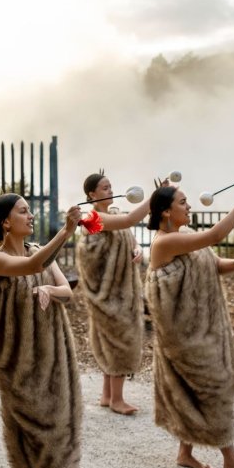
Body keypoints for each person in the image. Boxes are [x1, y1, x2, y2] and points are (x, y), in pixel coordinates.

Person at [0, 195, 99, 468]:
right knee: (24, 417)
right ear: (5, 222)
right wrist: (66, 231)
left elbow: (67, 291)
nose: (30, 215)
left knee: (58, 417)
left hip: (51, 349)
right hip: (16, 354)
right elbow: (31, 268)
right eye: (23, 211)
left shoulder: (37, 250)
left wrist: (51, 288)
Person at [145, 180, 234, 468]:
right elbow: (216, 235)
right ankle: (231, 459)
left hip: (201, 328)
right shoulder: (163, 243)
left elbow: (210, 261)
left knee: (191, 390)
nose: (189, 206)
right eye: (182, 202)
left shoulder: (182, 237)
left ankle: (185, 452)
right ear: (165, 212)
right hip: (183, 334)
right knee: (214, 385)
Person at [75, 171, 150, 415]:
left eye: (110, 186)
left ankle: (108, 395)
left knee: (112, 339)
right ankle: (118, 399)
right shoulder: (93, 218)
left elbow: (128, 236)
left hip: (121, 288)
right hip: (109, 293)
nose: (109, 190)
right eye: (104, 187)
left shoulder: (113, 215)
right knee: (118, 340)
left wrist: (137, 249)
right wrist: (155, 198)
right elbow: (129, 222)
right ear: (92, 194)